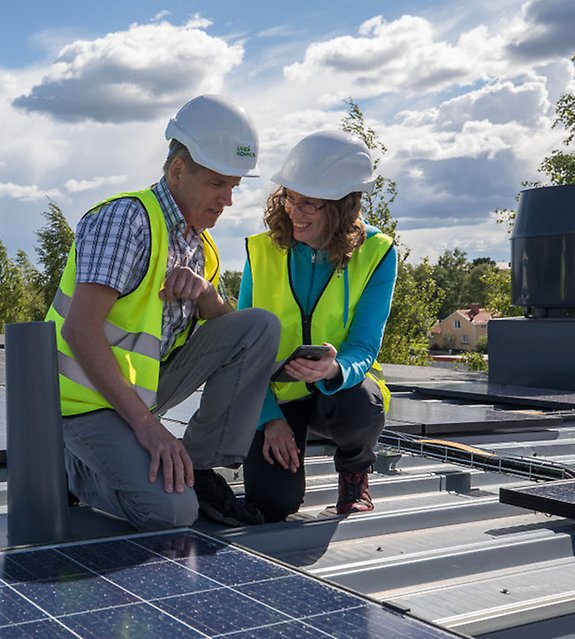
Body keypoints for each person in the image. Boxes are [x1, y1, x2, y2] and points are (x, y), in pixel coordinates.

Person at [45, 95, 280, 531]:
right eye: (217, 184)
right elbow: (80, 331)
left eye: (234, 186)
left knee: (260, 325)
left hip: (140, 392)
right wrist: (149, 430)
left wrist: (207, 296)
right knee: (170, 512)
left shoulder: (202, 247)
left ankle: (201, 469)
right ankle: (67, 469)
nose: (228, 199)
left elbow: (231, 335)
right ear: (177, 171)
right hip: (79, 402)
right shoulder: (126, 220)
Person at [238, 130, 397, 522]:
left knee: (361, 401)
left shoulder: (378, 253)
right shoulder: (260, 252)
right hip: (276, 398)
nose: (294, 211)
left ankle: (355, 472)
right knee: (273, 504)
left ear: (343, 207)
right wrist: (268, 419)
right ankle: (280, 437)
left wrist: (336, 369)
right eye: (290, 197)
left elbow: (364, 345)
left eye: (309, 203)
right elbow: (241, 351)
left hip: (338, 394)